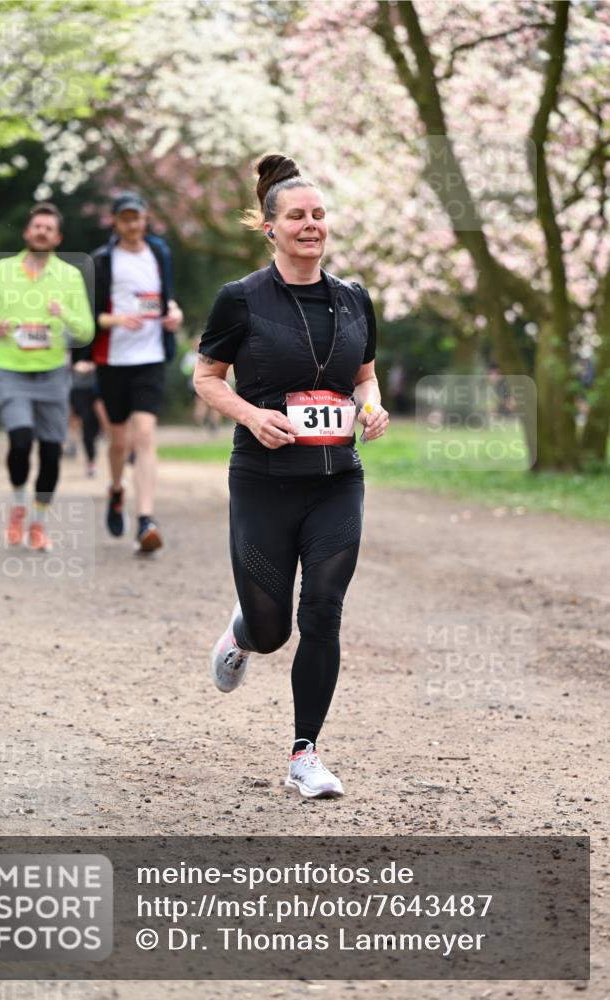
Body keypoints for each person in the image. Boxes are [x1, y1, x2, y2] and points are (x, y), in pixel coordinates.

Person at [194, 154, 389, 799]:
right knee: (274, 628)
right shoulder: (241, 300)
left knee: (324, 612)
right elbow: (205, 380)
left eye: (319, 215)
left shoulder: (353, 297)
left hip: (337, 478)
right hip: (264, 478)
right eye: (298, 216)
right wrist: (252, 416)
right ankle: (244, 633)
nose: (312, 225)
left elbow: (362, 371)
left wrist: (371, 405)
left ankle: (305, 754)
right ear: (271, 227)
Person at [0, 202, 94, 551]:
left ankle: (39, 522)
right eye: (36, 226)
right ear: (27, 232)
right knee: (20, 439)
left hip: (53, 374)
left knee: (50, 452)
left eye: (49, 228)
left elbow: (86, 329)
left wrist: (65, 315)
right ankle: (17, 506)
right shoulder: (2, 270)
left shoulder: (70, 276)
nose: (41, 232)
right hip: (11, 369)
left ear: (57, 237)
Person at [90, 192, 184, 552]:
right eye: (125, 218)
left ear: (145, 219)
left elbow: (166, 299)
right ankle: (116, 491)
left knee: (144, 434)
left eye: (138, 217)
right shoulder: (103, 261)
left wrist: (173, 313)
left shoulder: (159, 253)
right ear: (115, 222)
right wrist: (116, 320)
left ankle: (146, 520)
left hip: (150, 356)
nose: (132, 224)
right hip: (113, 359)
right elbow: (90, 316)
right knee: (119, 440)